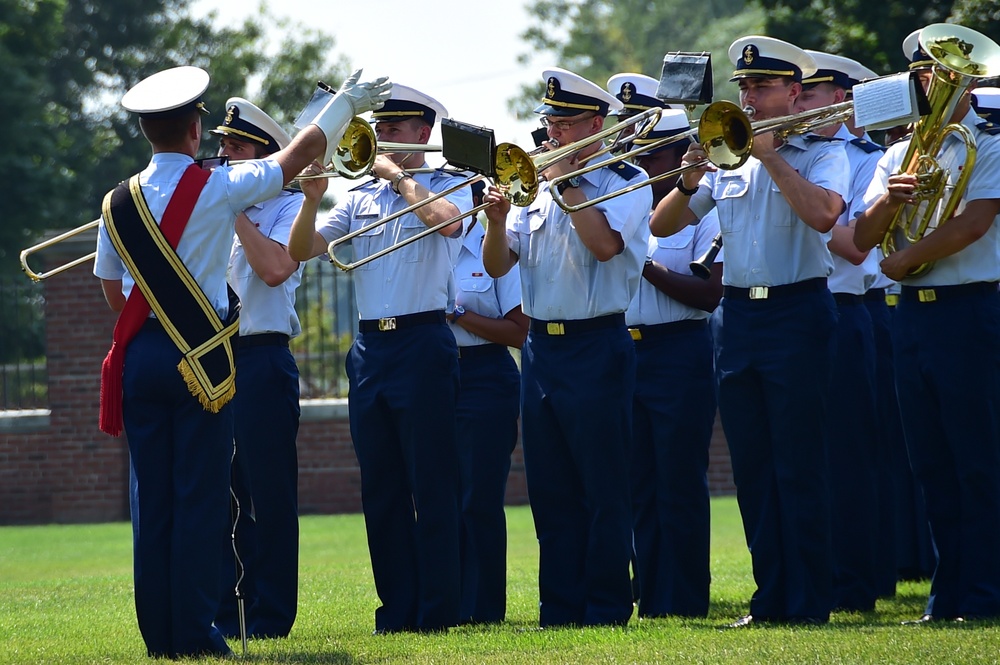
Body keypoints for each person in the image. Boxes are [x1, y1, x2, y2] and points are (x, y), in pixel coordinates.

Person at [93, 65, 390, 658]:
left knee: (152, 501)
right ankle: (196, 632)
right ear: (194, 131)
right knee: (202, 498)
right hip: (203, 358)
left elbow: (112, 289)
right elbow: (297, 154)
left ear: (147, 130)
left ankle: (160, 634)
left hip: (143, 355)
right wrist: (342, 106)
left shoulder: (117, 200)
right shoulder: (217, 187)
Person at [649, 37, 848, 627]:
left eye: (761, 88)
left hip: (797, 310)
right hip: (737, 317)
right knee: (754, 465)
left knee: (799, 462)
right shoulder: (726, 158)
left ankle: (808, 600)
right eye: (743, 89)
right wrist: (687, 180)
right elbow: (664, 225)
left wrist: (770, 157)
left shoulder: (818, 153)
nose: (749, 98)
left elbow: (824, 215)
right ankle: (769, 599)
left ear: (792, 93)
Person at [287, 84, 473, 634]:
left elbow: (450, 223)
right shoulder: (357, 198)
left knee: (432, 482)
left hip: (423, 341)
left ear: (423, 134)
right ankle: (397, 609)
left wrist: (397, 177)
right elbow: (301, 251)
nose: (382, 138)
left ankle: (440, 610)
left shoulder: (450, 183)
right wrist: (311, 199)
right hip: (370, 348)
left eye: (393, 130)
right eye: (379, 129)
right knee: (383, 487)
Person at [481, 67, 652, 628]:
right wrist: (498, 218)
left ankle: (605, 605)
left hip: (597, 341)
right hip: (542, 350)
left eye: (563, 122)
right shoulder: (535, 190)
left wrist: (564, 184)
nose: (551, 133)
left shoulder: (626, 181)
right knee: (550, 487)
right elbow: (497, 265)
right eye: (549, 122)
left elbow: (604, 246)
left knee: (602, 484)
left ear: (596, 125)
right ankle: (559, 606)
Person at [853, 26, 1000, 624]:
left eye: (939, 74)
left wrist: (902, 259)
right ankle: (949, 597)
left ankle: (988, 593)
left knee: (979, 459)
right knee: (932, 464)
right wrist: (891, 201)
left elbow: (974, 223)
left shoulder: (985, 141)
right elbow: (860, 236)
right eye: (921, 75)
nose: (929, 83)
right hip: (910, 316)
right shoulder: (895, 153)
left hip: (970, 310)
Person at [209, 98, 305, 639]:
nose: (225, 155)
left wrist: (233, 210)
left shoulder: (287, 207)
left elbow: (273, 268)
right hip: (211, 361)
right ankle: (224, 612)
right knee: (217, 494)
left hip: (262, 356)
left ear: (267, 158)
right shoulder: (210, 205)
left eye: (238, 148)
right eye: (223, 145)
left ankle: (270, 617)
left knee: (267, 495)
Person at [626, 109, 723, 618]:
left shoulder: (702, 204)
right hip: (629, 350)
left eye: (655, 156)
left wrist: (640, 264)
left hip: (678, 349)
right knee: (640, 481)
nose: (644, 166)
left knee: (679, 480)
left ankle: (683, 598)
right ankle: (651, 595)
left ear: (681, 153)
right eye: (638, 156)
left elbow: (709, 293)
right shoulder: (626, 202)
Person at [796, 50, 883, 613]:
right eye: (795, 92)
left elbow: (853, 244)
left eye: (810, 93)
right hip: (793, 313)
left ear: (841, 99)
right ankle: (811, 575)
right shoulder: (790, 156)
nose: (798, 101)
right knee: (801, 456)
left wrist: (794, 204)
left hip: (844, 308)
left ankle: (855, 580)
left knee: (847, 454)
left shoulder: (861, 159)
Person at [449, 181, 529, 624]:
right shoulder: (426, 247)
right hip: (436, 374)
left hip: (485, 374)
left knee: (477, 497)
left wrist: (458, 315)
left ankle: (481, 609)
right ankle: (445, 600)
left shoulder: (494, 250)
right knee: (441, 495)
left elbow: (519, 330)